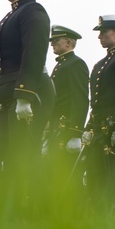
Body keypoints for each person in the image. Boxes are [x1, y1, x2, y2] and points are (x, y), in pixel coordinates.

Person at [0, 0, 53, 206]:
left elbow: (34, 55)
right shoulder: (12, 15)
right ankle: (16, 209)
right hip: (10, 93)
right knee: (9, 154)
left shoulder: (33, 12)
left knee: (24, 153)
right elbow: (1, 67)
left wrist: (25, 95)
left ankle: (37, 208)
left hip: (29, 91)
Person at [82, 16, 115, 205]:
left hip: (114, 126)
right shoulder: (100, 64)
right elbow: (95, 103)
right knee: (95, 173)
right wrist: (89, 127)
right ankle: (97, 213)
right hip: (99, 125)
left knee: (113, 176)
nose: (100, 37)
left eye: (104, 32)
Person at [48, 25, 89, 165]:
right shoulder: (61, 64)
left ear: (68, 42)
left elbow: (80, 98)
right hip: (56, 124)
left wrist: (76, 133)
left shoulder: (76, 64)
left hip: (66, 126)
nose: (52, 43)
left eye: (56, 40)